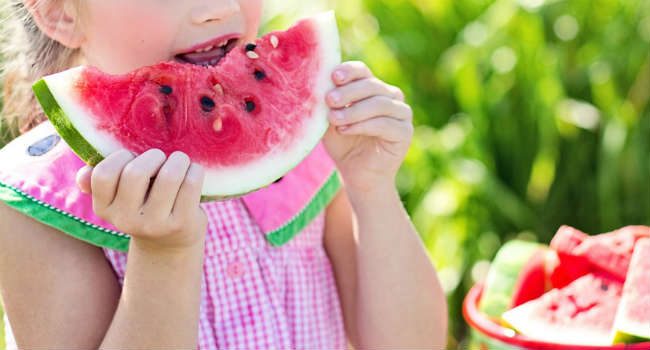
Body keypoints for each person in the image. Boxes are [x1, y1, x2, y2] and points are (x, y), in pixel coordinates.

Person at [0, 0, 447, 348]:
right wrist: (162, 256)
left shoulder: (303, 142)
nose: (220, 8)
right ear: (58, 12)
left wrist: (372, 188)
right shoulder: (36, 201)